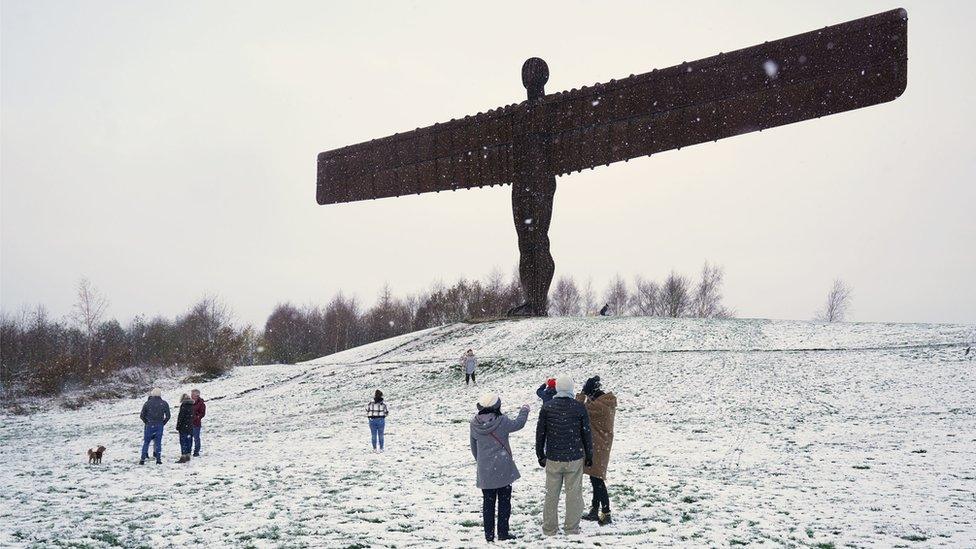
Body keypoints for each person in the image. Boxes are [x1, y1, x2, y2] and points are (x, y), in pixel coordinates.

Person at [535, 376, 593, 537]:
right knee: (574, 494)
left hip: (553, 457)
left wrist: (540, 454)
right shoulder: (579, 407)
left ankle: (549, 528)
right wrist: (589, 455)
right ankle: (571, 528)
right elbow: (586, 433)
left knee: (551, 495)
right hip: (574, 457)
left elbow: (540, 433)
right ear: (571, 389)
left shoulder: (547, 407)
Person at [470, 393, 530, 542]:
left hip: (485, 470)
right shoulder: (502, 421)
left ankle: (489, 535)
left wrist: (482, 462)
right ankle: (503, 533)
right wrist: (524, 410)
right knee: (504, 502)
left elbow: (473, 448)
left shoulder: (474, 424)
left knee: (488, 503)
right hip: (503, 467)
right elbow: (519, 424)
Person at [577, 376, 617, 526]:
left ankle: (606, 512)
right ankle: (595, 509)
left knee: (597, 480)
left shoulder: (598, 407)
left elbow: (578, 407)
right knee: (595, 478)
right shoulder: (605, 402)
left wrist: (582, 393)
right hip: (600, 445)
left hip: (598, 446)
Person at [139, 388, 171, 465]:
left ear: (152, 394)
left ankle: (142, 459)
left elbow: (142, 415)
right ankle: (158, 459)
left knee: (146, 442)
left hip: (149, 425)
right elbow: (168, 416)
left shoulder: (147, 403)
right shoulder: (164, 403)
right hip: (159, 425)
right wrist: (163, 423)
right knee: (158, 443)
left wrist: (146, 422)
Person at [175, 393, 194, 463]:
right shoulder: (192, 406)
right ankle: (188, 454)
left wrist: (178, 426)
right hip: (190, 426)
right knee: (189, 441)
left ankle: (183, 455)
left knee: (183, 441)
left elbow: (181, 417)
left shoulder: (183, 406)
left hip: (183, 427)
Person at [191, 388, 206, 457]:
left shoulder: (201, 403)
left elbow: (202, 413)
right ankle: (187, 451)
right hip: (188, 424)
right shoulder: (189, 402)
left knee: (196, 438)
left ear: (197, 395)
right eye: (191, 394)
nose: (191, 396)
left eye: (193, 395)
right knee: (188, 438)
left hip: (196, 424)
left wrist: (197, 417)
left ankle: (196, 451)